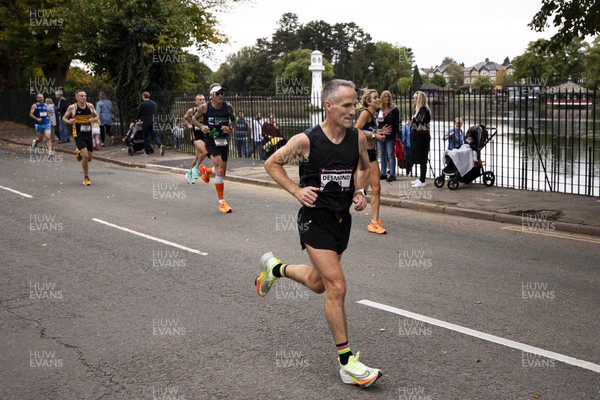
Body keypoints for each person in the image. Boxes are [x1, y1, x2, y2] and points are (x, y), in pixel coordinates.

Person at [256, 79, 382, 388]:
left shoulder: (358, 139)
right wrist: (296, 190)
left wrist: (360, 191)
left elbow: (364, 169)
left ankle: (275, 269)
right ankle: (347, 363)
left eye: (355, 104)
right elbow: (272, 163)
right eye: (347, 105)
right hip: (314, 220)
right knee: (337, 286)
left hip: (341, 220)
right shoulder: (306, 140)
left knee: (317, 283)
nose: (354, 111)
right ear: (328, 106)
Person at [191, 83, 236, 213]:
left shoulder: (228, 107)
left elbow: (233, 120)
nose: (220, 96)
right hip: (210, 140)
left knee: (222, 171)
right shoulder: (205, 108)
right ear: (212, 95)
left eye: (222, 93)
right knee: (220, 170)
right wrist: (201, 126)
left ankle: (206, 171)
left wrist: (230, 128)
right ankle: (222, 203)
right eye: (218, 94)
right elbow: (193, 119)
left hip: (223, 140)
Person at [354, 89, 391, 235]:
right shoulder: (365, 113)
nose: (378, 99)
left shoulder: (374, 115)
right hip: (362, 154)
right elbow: (355, 130)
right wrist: (375, 136)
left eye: (377, 97)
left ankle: (374, 222)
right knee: (355, 188)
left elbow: (368, 131)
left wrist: (379, 132)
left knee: (376, 188)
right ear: (368, 101)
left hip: (371, 154)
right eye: (375, 98)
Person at [62, 90, 99, 186]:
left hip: (88, 133)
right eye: (82, 96)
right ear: (77, 97)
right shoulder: (72, 108)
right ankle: (86, 178)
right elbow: (64, 118)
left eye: (85, 96)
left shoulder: (90, 106)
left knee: (89, 158)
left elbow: (96, 116)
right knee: (85, 156)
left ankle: (79, 152)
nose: (84, 97)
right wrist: (69, 121)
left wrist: (93, 119)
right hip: (78, 133)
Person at [183, 94, 208, 184]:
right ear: (196, 102)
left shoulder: (206, 110)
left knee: (197, 156)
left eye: (203, 99)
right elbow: (184, 119)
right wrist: (188, 125)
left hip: (203, 134)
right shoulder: (192, 110)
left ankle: (189, 173)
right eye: (200, 99)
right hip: (195, 135)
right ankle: (196, 168)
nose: (202, 101)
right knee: (205, 151)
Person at [410, 91, 431, 188]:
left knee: (422, 159)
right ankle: (420, 178)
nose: (414, 100)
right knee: (419, 157)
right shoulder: (420, 110)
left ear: (419, 99)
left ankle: (422, 180)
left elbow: (420, 121)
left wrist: (413, 120)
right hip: (419, 136)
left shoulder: (423, 109)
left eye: (415, 98)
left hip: (422, 137)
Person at [378, 90, 400, 182]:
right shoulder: (378, 109)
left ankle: (392, 174)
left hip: (390, 136)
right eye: (385, 97)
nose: (386, 98)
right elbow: (375, 123)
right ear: (382, 98)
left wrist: (398, 135)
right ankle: (383, 173)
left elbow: (397, 123)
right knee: (382, 154)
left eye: (388, 97)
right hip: (380, 135)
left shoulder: (394, 109)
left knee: (390, 154)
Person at [135, 91, 164, 157]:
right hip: (154, 121)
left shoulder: (142, 104)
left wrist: (136, 120)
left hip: (146, 122)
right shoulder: (154, 103)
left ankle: (147, 152)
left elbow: (138, 113)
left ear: (143, 96)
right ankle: (160, 145)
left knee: (145, 137)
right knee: (154, 135)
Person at [29, 93, 54, 158]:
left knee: (48, 137)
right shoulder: (35, 105)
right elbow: (31, 114)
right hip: (39, 124)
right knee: (40, 139)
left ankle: (50, 152)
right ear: (37, 98)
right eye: (40, 98)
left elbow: (47, 112)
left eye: (42, 97)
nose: (42, 99)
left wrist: (50, 118)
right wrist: (37, 118)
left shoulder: (45, 105)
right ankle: (35, 141)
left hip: (46, 122)